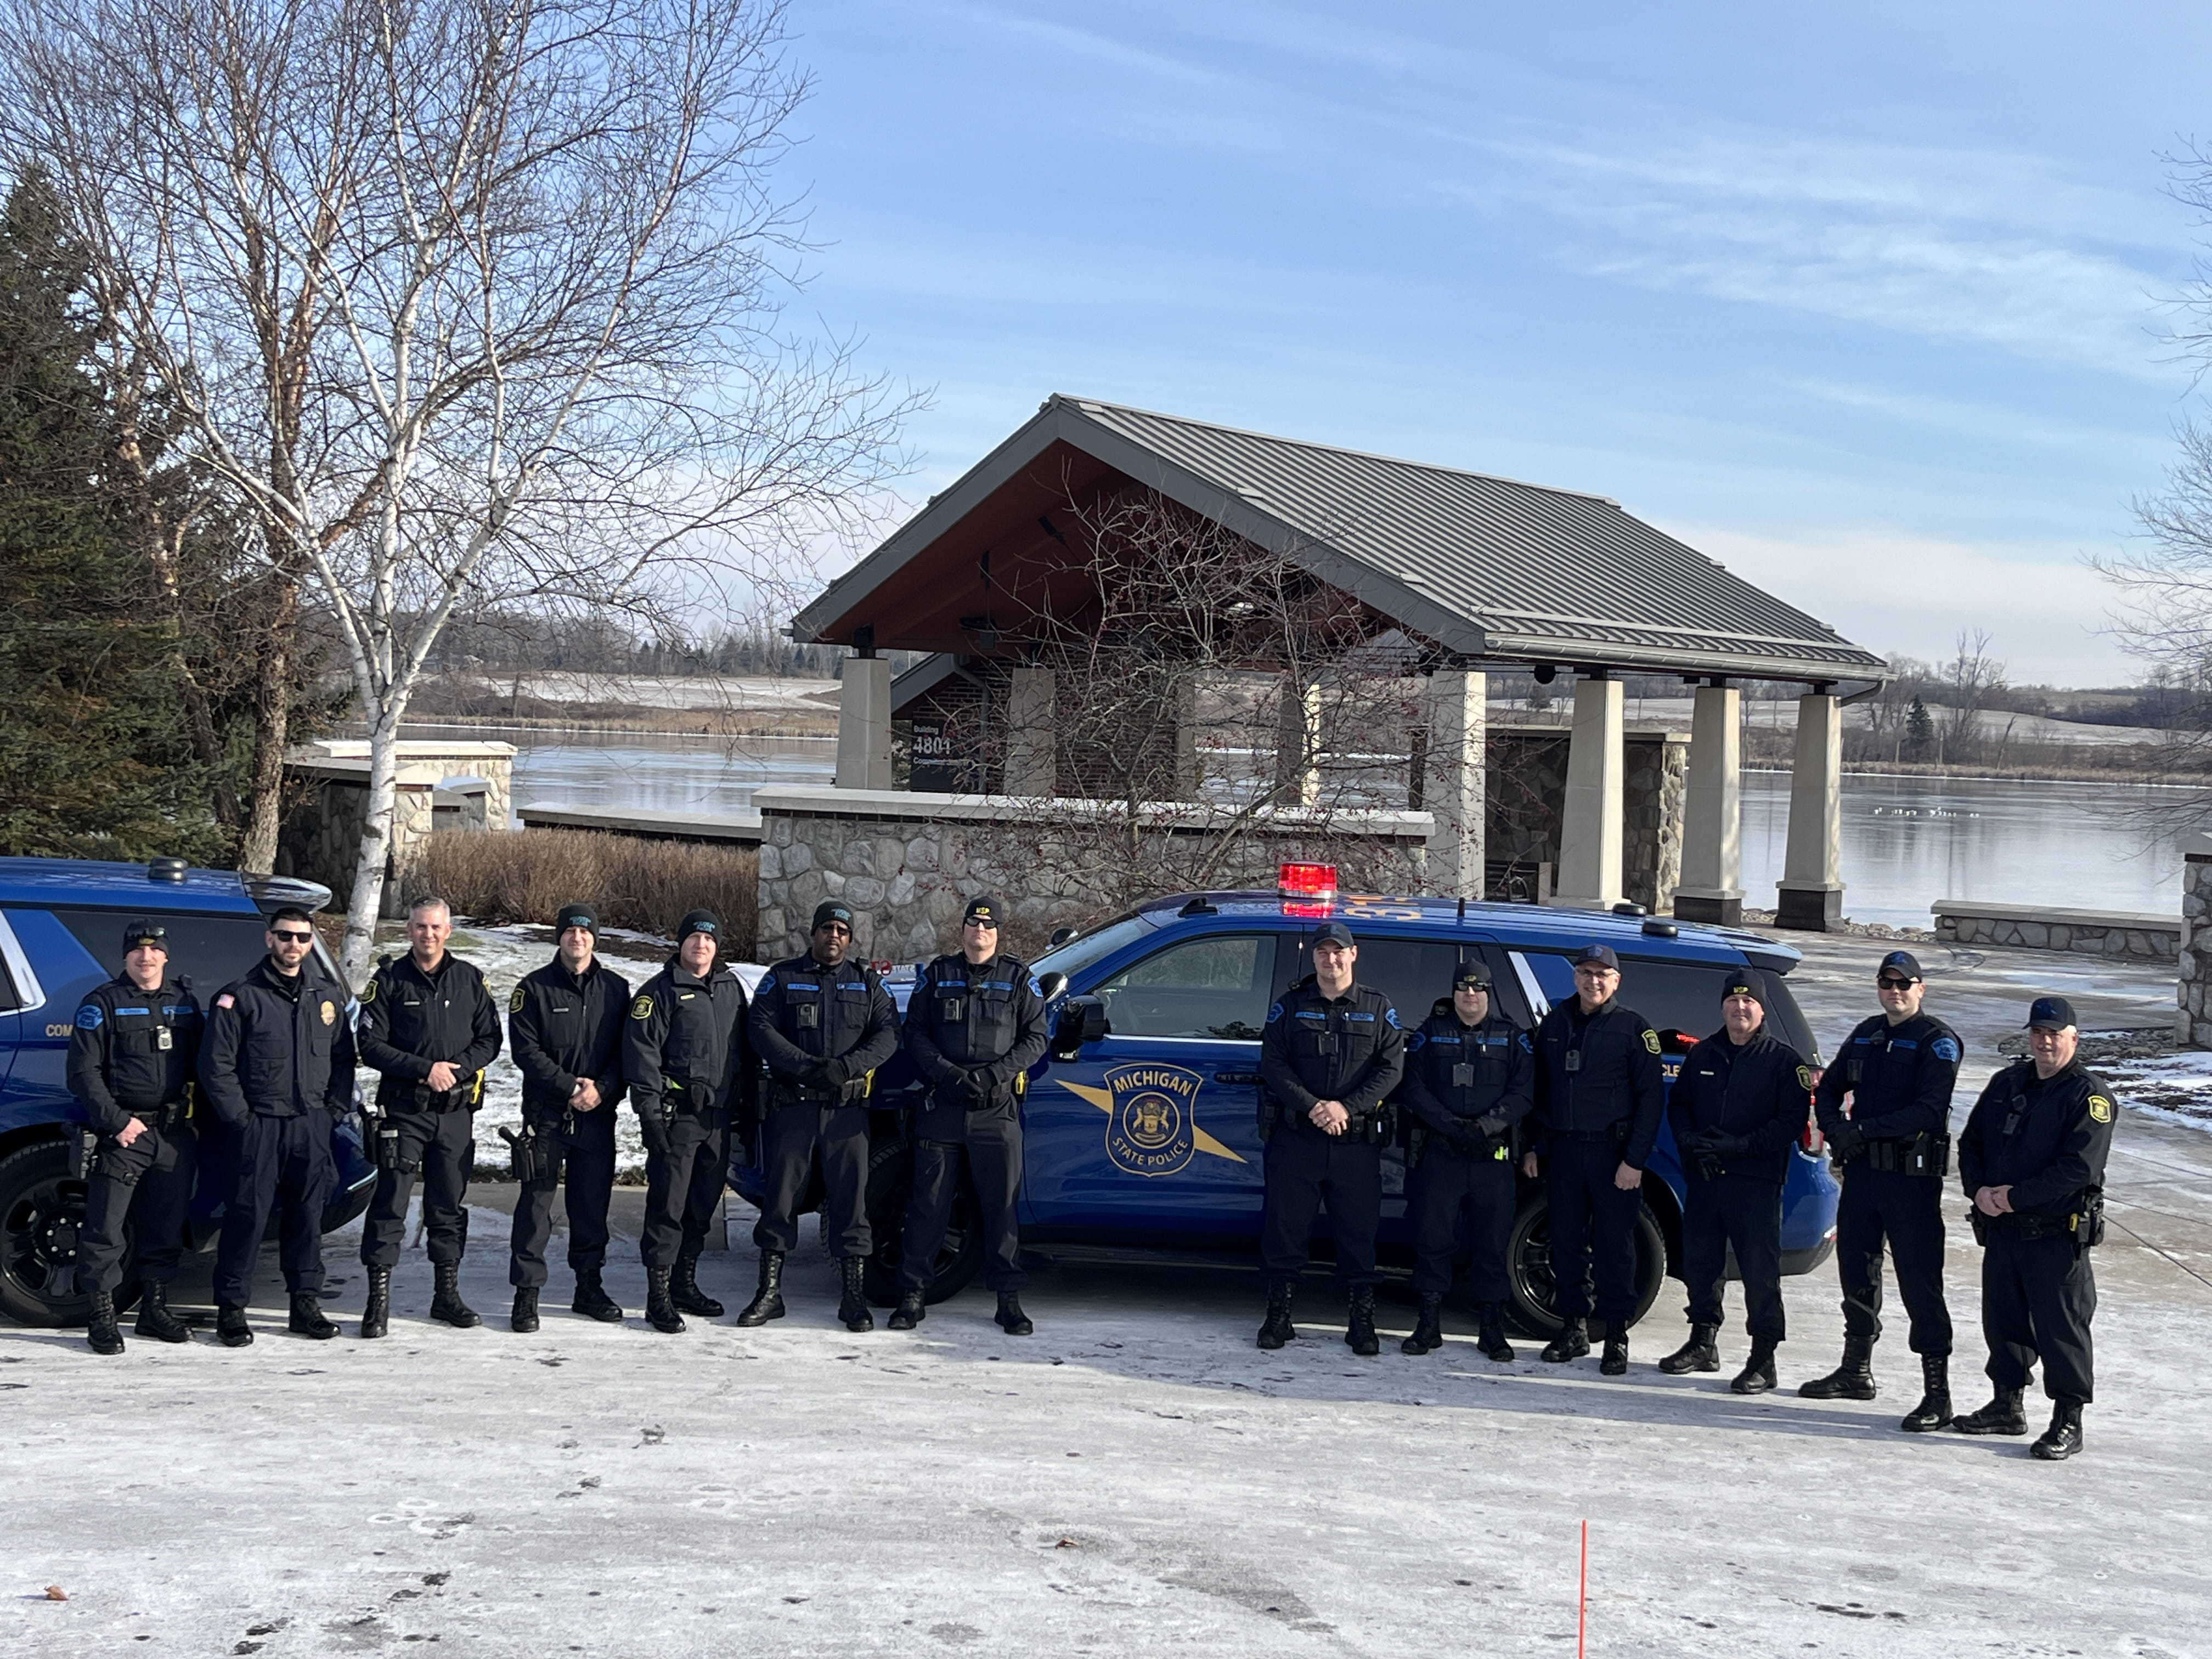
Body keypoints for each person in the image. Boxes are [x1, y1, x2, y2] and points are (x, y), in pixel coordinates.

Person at [1803, 949, 1963, 1431]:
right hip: (1863, 1177)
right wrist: (1836, 1129)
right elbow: (1828, 1089)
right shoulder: (1866, 1034)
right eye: (1886, 983)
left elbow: (1930, 1110)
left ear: (1921, 989)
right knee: (1856, 1272)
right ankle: (1856, 1371)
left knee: (1920, 1283)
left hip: (1909, 1182)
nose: (1894, 992)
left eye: (1903, 984)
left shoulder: (1937, 1041)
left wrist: (1862, 1130)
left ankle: (1937, 1394)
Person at [1953, 996, 2116, 1460]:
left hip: (2056, 1236)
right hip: (2004, 1231)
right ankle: (2006, 1405)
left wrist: (2015, 1197)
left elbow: (2078, 1169)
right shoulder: (2007, 1084)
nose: (2045, 1042)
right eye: (2038, 1033)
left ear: (2073, 1038)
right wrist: (1979, 1191)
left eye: (2054, 1034)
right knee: (2003, 1322)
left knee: (2062, 1329)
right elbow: (1972, 1143)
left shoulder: (2089, 1096)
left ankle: (2068, 1420)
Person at [891, 896, 1051, 1335]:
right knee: (928, 1206)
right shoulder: (937, 975)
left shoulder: (1019, 979)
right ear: (962, 929)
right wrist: (946, 1073)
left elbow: (1036, 1039)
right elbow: (915, 1033)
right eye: (973, 924)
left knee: (1002, 1208)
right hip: (943, 1105)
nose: (980, 931)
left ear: (998, 932)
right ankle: (913, 1296)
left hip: (995, 1110)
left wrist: (992, 1076)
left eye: (988, 925)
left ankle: (1008, 1301)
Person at [199, 906, 357, 1346]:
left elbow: (343, 1059)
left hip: (310, 1124)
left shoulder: (325, 997)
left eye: (303, 938)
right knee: (247, 1218)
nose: (294, 945)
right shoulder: (241, 997)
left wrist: (332, 1111)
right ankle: (232, 1309)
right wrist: (242, 1120)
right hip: (259, 1126)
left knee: (307, 1217)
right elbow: (216, 1068)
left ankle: (305, 1305)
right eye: (286, 936)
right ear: (270, 939)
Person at [744, 900, 900, 1332]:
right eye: (827, 928)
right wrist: (806, 1066)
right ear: (813, 933)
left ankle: (853, 1298)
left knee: (852, 1204)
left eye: (842, 931)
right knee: (780, 1201)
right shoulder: (782, 977)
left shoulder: (867, 983)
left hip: (846, 1113)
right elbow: (760, 1029)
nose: (834, 936)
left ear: (850, 939)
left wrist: (847, 1067)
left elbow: (889, 1034)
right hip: (794, 1107)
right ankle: (769, 1293)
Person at [355, 895, 503, 1338]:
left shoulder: (470, 979)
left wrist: (455, 1070)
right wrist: (425, 1069)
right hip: (405, 1112)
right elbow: (370, 1045)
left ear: (448, 930)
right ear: (409, 931)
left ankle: (447, 1296)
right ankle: (378, 1302)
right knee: (390, 1205)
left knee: (448, 1206)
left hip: (455, 1114)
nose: (429, 934)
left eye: (436, 927)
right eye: (421, 926)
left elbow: (490, 1039)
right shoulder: (389, 981)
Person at [1256, 921, 1406, 1356]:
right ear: (1314, 957)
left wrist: (1347, 1107)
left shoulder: (1378, 1008)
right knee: (1285, 1231)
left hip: (1354, 1143)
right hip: (1298, 1137)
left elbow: (1392, 1069)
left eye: (1339, 951)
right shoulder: (1290, 1006)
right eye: (1323, 951)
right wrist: (1313, 1106)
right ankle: (1278, 1318)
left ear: (1353, 955)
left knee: (1358, 1234)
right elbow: (1274, 1064)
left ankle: (1361, 1322)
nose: (1331, 958)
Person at [1659, 975, 1813, 1393]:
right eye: (1732, 1001)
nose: (1740, 1008)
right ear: (1723, 1006)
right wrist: (1690, 1141)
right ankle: (1702, 1343)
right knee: (1702, 1265)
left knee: (1760, 1273)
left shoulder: (1784, 1062)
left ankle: (1764, 1358)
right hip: (1706, 1176)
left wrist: (1740, 1147)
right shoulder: (1703, 1053)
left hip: (1755, 1182)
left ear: (1761, 1009)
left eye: (1748, 1003)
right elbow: (1680, 1106)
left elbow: (1789, 1123)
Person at [1525, 944, 1665, 1375]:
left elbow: (1650, 1101)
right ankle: (1574, 1328)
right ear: (1575, 977)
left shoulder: (1633, 1029)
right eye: (1586, 973)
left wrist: (1634, 1161)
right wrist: (1531, 1144)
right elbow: (1537, 1089)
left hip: (1613, 1155)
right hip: (1564, 1152)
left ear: (1616, 981)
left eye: (1602, 974)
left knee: (1614, 1247)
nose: (1593, 981)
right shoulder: (1554, 1023)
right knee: (1566, 1242)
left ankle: (1617, 1335)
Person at [67, 919, 204, 1353]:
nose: (147, 957)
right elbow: (82, 1072)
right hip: (125, 1133)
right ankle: (102, 1317)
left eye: (155, 949)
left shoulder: (184, 1002)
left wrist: (201, 1119)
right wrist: (116, 1121)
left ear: (166, 955)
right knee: (106, 1228)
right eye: (138, 950)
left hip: (174, 1134)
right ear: (125, 955)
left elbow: (204, 1064)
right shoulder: (102, 1003)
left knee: (166, 1227)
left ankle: (153, 1310)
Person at [1393, 962, 1532, 1361]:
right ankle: (1428, 1326)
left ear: (1489, 993)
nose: (1471, 994)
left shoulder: (1512, 1038)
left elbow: (1524, 1094)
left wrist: (1486, 1126)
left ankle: (1492, 1330)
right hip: (1443, 1153)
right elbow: (1413, 1088)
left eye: (1478, 988)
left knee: (1492, 1244)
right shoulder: (1430, 1034)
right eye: (1463, 988)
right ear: (1453, 992)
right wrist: (1452, 1126)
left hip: (1493, 1158)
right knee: (1433, 1242)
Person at [505, 902, 631, 1331]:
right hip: (547, 1116)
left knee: (591, 1205)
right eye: (570, 931)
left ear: (595, 937)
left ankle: (588, 1287)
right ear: (559, 937)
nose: (578, 938)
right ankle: (527, 1294)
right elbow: (526, 1052)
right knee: (535, 1205)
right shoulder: (533, 989)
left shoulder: (616, 989)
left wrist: (603, 1089)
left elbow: (626, 1052)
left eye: (585, 931)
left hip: (597, 1115)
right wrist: (569, 1087)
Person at [624, 908, 749, 1334]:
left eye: (709, 939)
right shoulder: (658, 993)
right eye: (694, 937)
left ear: (717, 946)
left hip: (719, 1118)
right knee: (668, 1207)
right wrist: (651, 1118)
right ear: (681, 943)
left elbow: (744, 1051)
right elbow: (642, 1060)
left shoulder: (731, 988)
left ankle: (684, 1284)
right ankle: (657, 1296)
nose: (701, 945)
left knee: (702, 1207)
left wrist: (748, 1108)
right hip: (677, 1119)